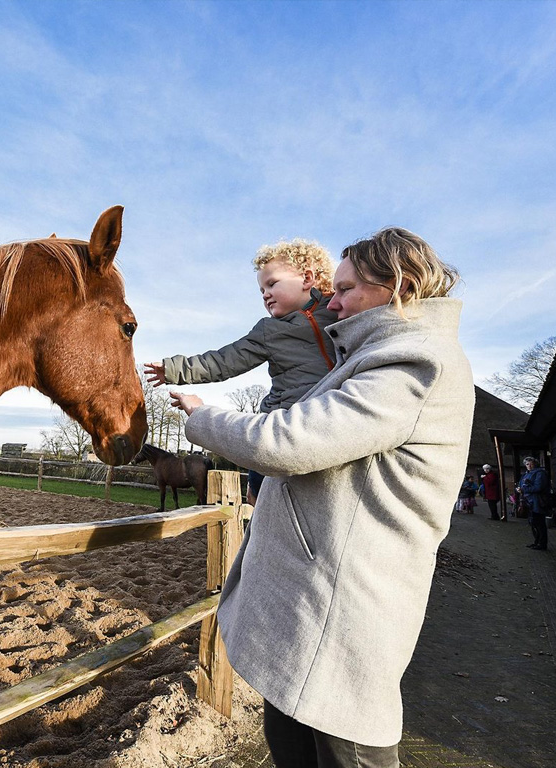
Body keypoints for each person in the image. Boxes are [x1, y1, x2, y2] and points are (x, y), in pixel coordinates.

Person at [169, 227, 473, 767]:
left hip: (345, 605)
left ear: (396, 285)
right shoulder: (373, 357)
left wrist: (204, 415)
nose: (332, 302)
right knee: (293, 740)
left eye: (347, 288)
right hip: (315, 601)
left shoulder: (410, 364)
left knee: (345, 742)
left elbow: (286, 442)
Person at [144, 239, 336, 504]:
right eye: (261, 290)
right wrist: (176, 370)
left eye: (272, 284)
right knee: (258, 501)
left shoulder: (340, 311)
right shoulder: (270, 331)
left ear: (307, 278)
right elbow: (225, 360)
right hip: (283, 421)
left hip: (334, 417)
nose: (265, 294)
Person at [518, 456, 551, 550]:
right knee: (533, 523)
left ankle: (542, 544)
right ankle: (536, 542)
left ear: (535, 464)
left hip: (537, 502)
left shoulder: (540, 473)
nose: (529, 466)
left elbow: (538, 487)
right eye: (527, 464)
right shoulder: (525, 474)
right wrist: (519, 489)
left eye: (531, 463)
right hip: (528, 502)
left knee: (540, 523)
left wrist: (524, 489)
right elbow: (521, 484)